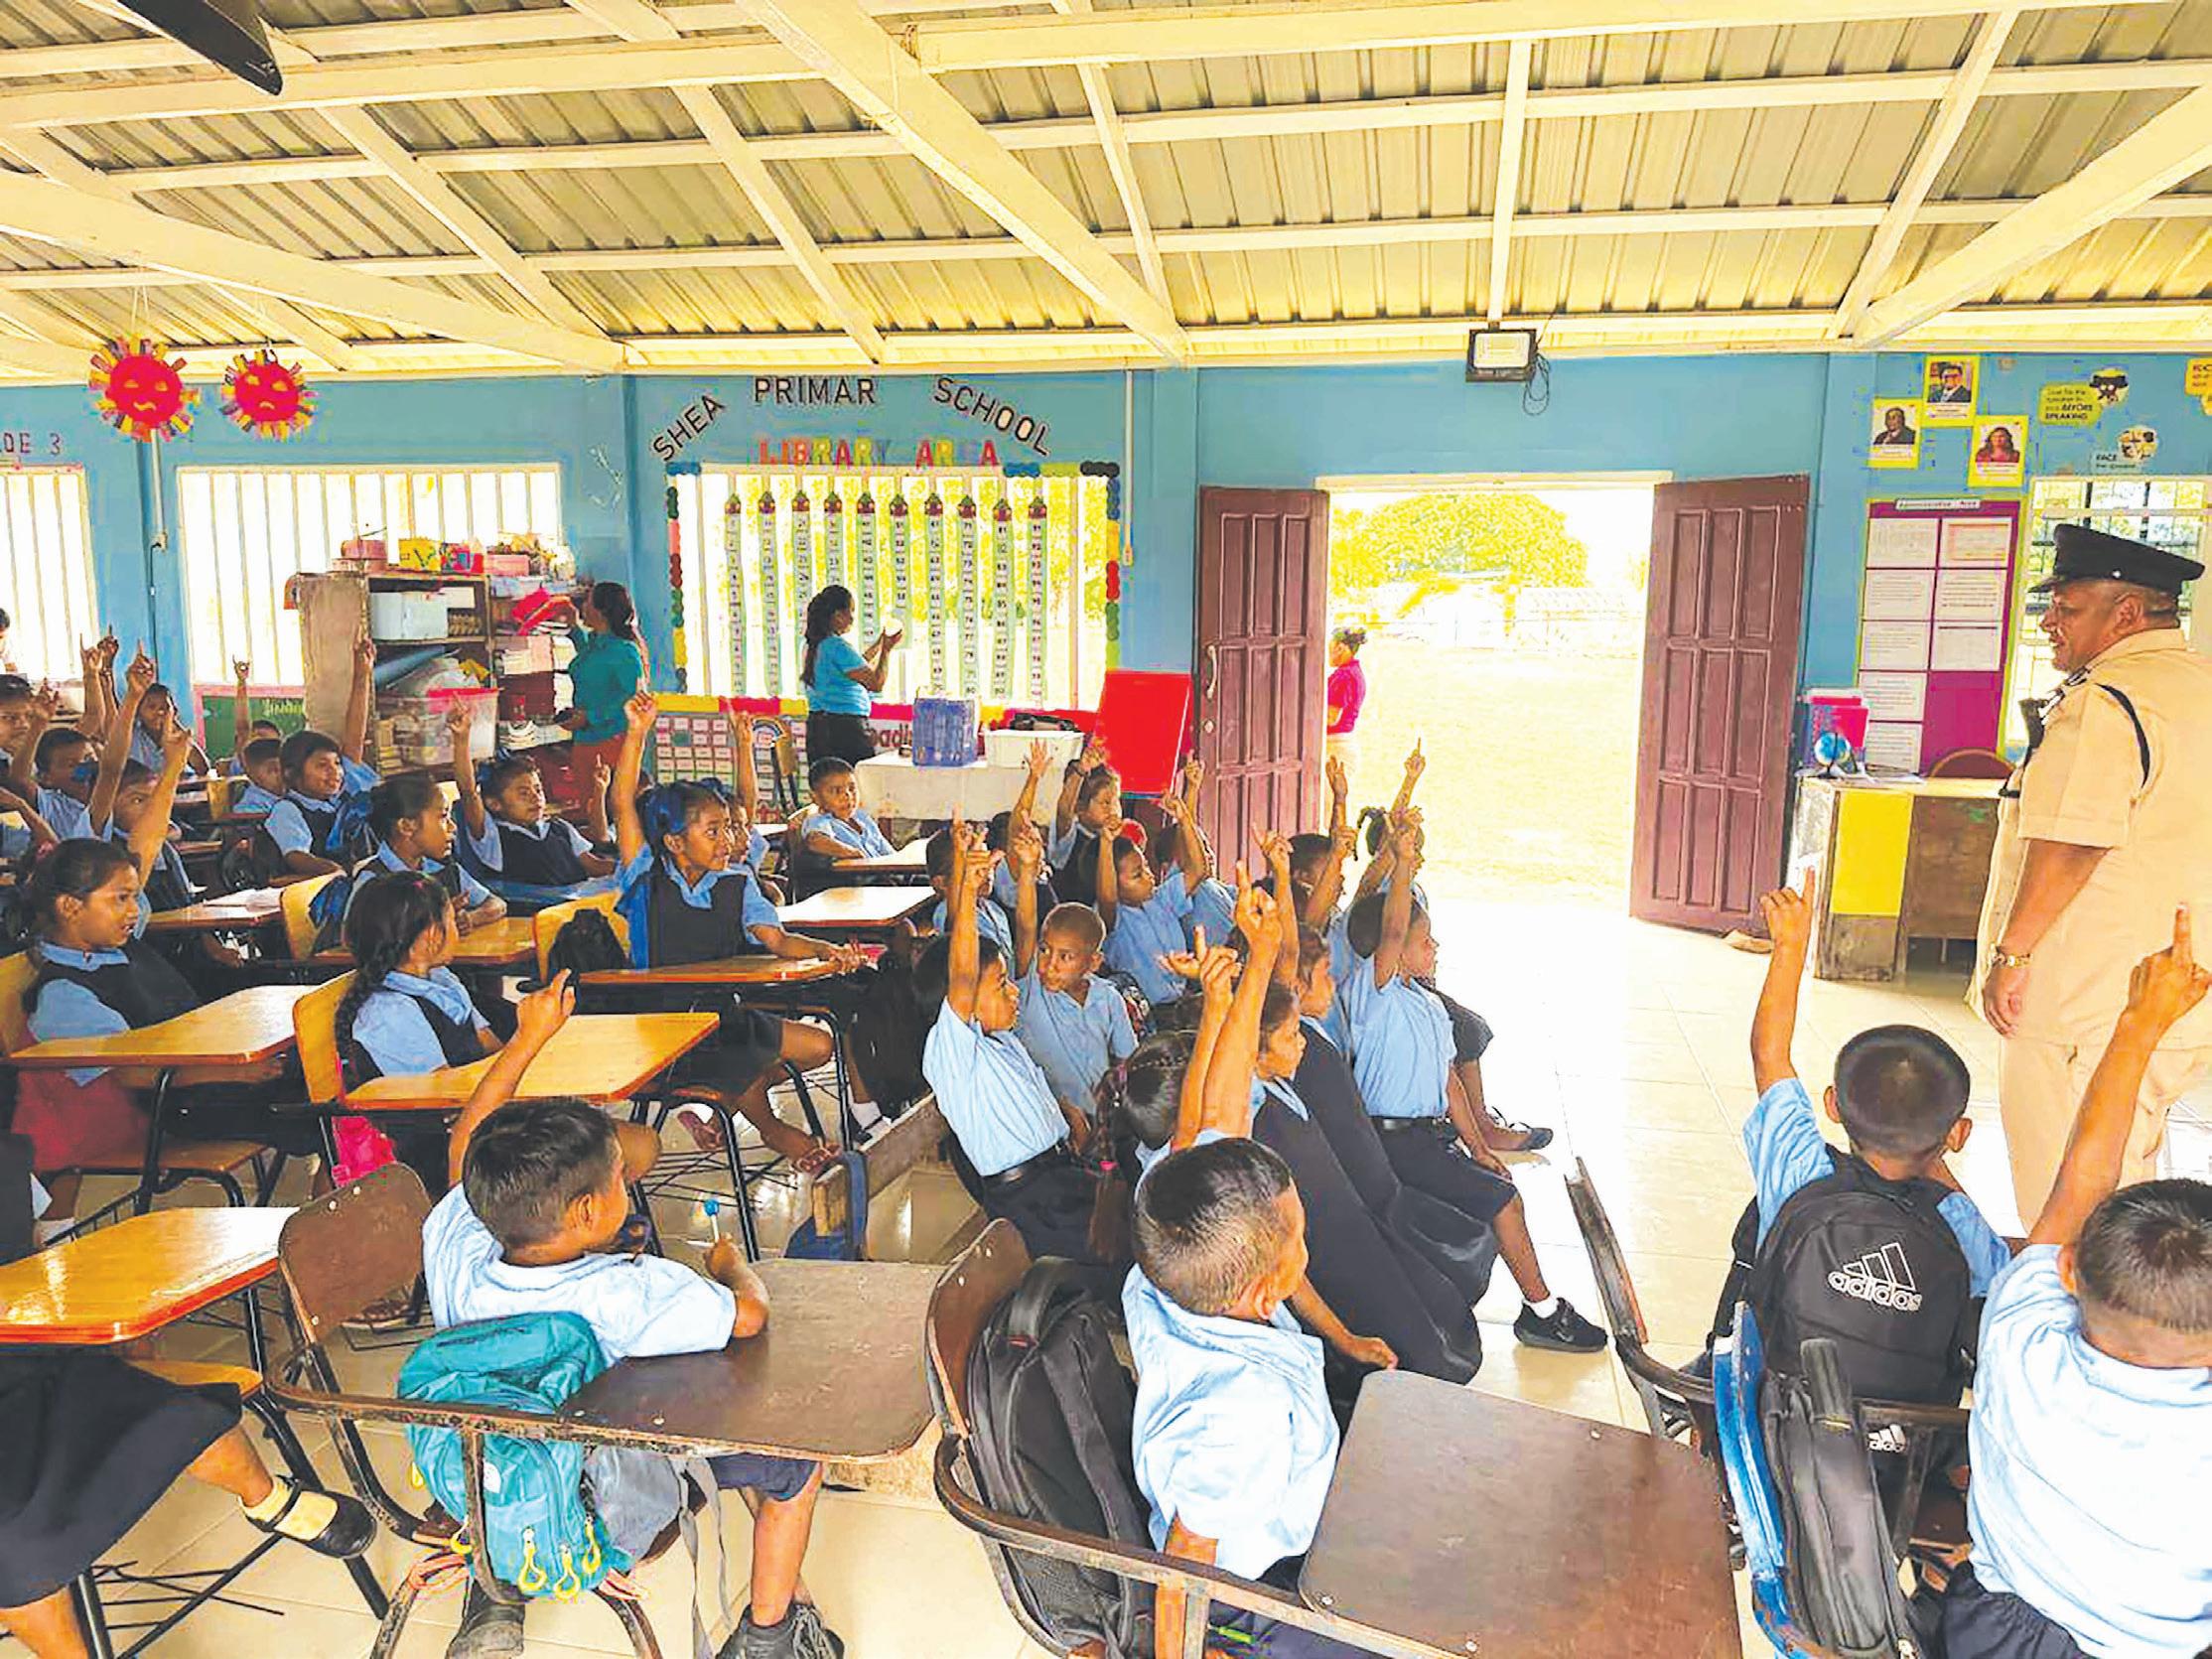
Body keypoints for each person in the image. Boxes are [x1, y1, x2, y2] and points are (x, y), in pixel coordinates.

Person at [422, 976, 844, 1659]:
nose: (630, 1179)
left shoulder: (457, 1245)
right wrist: (731, 1265)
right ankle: (768, 1636)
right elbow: (748, 1317)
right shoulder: (626, 1294)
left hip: (487, 1472)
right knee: (792, 1457)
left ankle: (496, 1587)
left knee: (721, 1412)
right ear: (588, 1210)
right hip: (603, 1503)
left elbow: (463, 1147)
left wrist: (528, 1040)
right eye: (621, 1176)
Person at [1943, 911, 2212, 1659]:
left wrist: (2138, 1021)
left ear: (2067, 1269)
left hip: (1993, 1632)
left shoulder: (2020, 1335)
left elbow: (2081, 1178)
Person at [1974, 523, 2212, 1219]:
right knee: (2130, 1173)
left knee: (2069, 1200)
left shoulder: (2109, 702)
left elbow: (2071, 844)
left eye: (2068, 608)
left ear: (2126, 612)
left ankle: (2081, 1296)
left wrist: (2013, 955)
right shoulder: (2197, 685)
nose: (2050, 622)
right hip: (2175, 989)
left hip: (2085, 1002)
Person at [1738, 877, 2008, 1407]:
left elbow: (1769, 1055)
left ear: (1832, 1105)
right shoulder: (1960, 1225)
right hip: (1913, 1446)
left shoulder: (1801, 1177)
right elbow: (2001, 1301)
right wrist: (1937, 1157)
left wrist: (1790, 947)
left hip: (1773, 1425)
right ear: (1958, 1134)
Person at [1339, 827, 1605, 1353]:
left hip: (1429, 1137)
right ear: (1392, 952)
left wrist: (1479, 1146)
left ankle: (1524, 1305)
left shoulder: (1428, 1005)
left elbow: (1450, 1083)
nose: (1435, 947)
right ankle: (1542, 1312)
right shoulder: (1375, 997)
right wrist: (1404, 863)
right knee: (1505, 1202)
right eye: (1425, 941)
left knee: (1496, 1187)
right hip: (1389, 1141)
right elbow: (1392, 929)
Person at [1128, 1137, 1384, 1659]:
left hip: (1290, 1506)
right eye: (1301, 1240)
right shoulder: (1242, 1414)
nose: (1306, 1246)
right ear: (1267, 1292)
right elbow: (1186, 1559)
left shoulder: (1157, 1281)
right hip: (1255, 1593)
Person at [17, 831, 317, 1241]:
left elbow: (144, 846)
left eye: (134, 897)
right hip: (176, 1106)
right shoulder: (64, 995)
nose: (134, 910)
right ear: (70, 907)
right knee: (317, 1111)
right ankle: (319, 1240)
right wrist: (236, 1072)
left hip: (200, 1082)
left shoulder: (115, 946)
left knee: (322, 1082)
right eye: (120, 899)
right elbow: (133, 1073)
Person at [613, 690, 860, 1170]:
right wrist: (637, 734)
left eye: (728, 828)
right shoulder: (646, 880)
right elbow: (623, 804)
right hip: (664, 1023)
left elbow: (779, 941)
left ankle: (728, 1105)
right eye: (713, 831)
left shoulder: (737, 882)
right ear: (674, 842)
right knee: (741, 1058)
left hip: (725, 1010)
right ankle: (775, 1130)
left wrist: (826, 951)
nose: (728, 840)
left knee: (820, 1046)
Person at [920, 823, 1097, 1259]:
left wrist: (1062, 1115)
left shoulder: (1001, 1040)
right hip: (1032, 1201)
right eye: (1001, 985)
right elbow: (964, 975)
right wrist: (966, 891)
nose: (1013, 990)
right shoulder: (955, 1052)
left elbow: (1025, 933)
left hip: (1058, 1178)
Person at [1008, 813, 1132, 1120]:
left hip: (1101, 1120)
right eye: (1044, 950)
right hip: (1050, 1121)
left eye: (1065, 957)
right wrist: (1027, 870)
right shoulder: (1031, 991)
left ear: (1093, 962)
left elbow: (1126, 1060)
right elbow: (1025, 926)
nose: (1049, 964)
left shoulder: (1108, 999)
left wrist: (1116, 1096)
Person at [256, 639, 378, 878]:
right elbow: (297, 856)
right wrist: (336, 872)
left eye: (337, 764)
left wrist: (362, 675)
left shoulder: (340, 799)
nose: (335, 772)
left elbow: (354, 740)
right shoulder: (287, 810)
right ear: (292, 773)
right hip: (319, 891)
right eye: (322, 766)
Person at [1101, 760, 1210, 1007]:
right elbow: (1107, 896)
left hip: (1183, 999)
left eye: (1146, 868)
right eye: (1137, 875)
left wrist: (1184, 818)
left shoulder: (1162, 898)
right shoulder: (1115, 920)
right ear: (1115, 886)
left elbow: (1198, 870)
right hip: (1150, 1012)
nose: (1149, 877)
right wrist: (1106, 844)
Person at [353, 765, 505, 934]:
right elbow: (356, 938)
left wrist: (471, 918)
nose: (453, 827)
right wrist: (438, 919)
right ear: (406, 826)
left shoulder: (446, 870)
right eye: (443, 817)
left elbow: (497, 904)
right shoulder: (373, 881)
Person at [559, 580, 647, 790]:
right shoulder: (595, 643)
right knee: (588, 803)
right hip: (584, 739)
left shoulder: (625, 651)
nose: (583, 606)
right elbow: (589, 664)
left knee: (608, 803)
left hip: (611, 741)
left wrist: (591, 717)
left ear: (602, 611)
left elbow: (634, 700)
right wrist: (573, 626)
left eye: (588, 602)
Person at [798, 584, 899, 767]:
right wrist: (886, 651)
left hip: (818, 728)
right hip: (844, 731)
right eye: (851, 611)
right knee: (856, 782)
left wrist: (880, 643)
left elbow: (857, 665)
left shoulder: (811, 644)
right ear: (838, 615)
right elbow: (876, 683)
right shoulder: (836, 646)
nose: (853, 618)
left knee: (825, 782)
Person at [797, 756, 895, 864]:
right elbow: (815, 841)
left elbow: (890, 854)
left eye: (852, 789)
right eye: (836, 791)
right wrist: (853, 853)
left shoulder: (862, 817)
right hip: (862, 873)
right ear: (815, 798)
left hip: (885, 870)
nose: (847, 796)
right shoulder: (821, 820)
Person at [1323, 626, 1367, 769]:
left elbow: (1331, 718)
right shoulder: (1354, 672)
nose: (1327, 653)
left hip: (1336, 749)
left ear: (1340, 648)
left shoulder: (1344, 676)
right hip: (1341, 745)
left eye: (1330, 648)